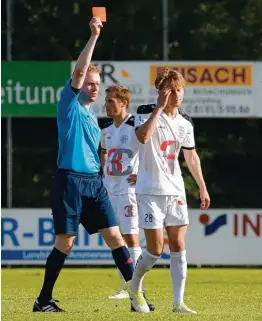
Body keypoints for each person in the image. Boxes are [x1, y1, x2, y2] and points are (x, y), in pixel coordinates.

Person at [33, 18, 134, 312]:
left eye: (97, 85)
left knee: (115, 237)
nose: (93, 88)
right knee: (66, 243)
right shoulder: (69, 104)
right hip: (70, 181)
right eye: (89, 83)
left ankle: (136, 296)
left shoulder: (92, 117)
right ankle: (43, 301)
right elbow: (79, 70)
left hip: (94, 182)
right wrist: (93, 36)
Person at [128, 68, 210, 314]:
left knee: (178, 244)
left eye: (179, 89)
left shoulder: (186, 122)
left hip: (176, 191)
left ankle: (178, 302)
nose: (175, 94)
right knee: (155, 250)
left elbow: (191, 156)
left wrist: (202, 188)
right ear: (160, 91)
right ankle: (134, 287)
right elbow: (143, 137)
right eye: (170, 89)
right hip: (150, 190)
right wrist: (159, 109)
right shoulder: (144, 112)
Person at [100, 85, 154, 311]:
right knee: (117, 240)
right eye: (106, 100)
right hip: (109, 189)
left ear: (123, 103)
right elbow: (104, 152)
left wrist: (141, 173)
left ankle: (133, 286)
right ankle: (127, 285)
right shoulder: (106, 129)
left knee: (131, 239)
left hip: (128, 191)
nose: (107, 104)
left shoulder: (136, 125)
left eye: (111, 100)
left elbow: (150, 151)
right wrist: (104, 174)